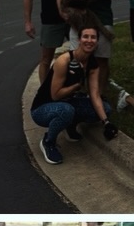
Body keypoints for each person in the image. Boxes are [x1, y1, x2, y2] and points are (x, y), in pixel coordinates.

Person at [31, 26, 114, 168]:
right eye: (85, 37)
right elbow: (55, 95)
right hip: (42, 109)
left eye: (93, 37)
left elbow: (94, 95)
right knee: (66, 110)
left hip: (68, 103)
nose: (89, 40)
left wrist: (106, 123)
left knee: (105, 109)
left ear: (97, 41)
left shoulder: (93, 64)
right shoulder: (64, 60)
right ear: (79, 40)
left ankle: (70, 126)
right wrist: (76, 85)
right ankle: (48, 141)